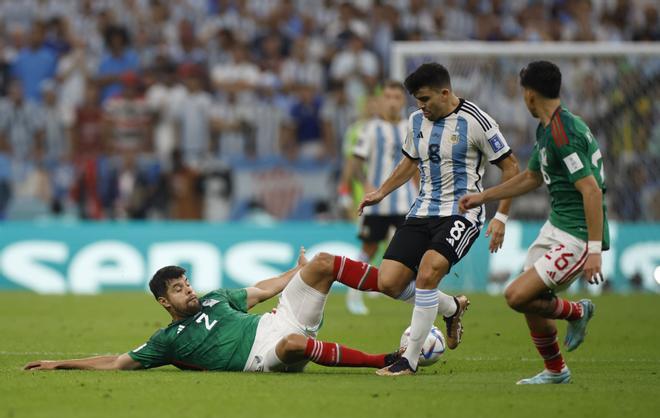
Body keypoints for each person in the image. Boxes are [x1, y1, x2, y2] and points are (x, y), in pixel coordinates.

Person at [358, 63, 520, 375]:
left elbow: (511, 167)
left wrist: (501, 216)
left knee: (428, 274)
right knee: (388, 282)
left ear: (445, 93)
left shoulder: (478, 122)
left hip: (462, 213)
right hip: (422, 211)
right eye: (416, 100)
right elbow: (410, 161)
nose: (420, 106)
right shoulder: (417, 119)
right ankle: (452, 307)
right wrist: (381, 192)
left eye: (425, 99)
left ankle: (409, 360)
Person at [459, 60, 607, 385]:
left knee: (516, 295)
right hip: (556, 226)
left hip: (577, 236)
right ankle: (556, 371)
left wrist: (594, 250)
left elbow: (592, 191)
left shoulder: (562, 132)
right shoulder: (549, 127)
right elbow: (531, 178)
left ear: (529, 94)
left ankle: (578, 312)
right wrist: (485, 198)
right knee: (530, 300)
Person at [24, 249, 402, 373]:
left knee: (322, 263)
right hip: (263, 354)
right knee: (292, 345)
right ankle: (384, 360)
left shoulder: (217, 297)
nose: (187, 290)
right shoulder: (168, 340)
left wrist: (299, 269)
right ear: (164, 303)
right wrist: (61, 364)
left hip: (280, 319)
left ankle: (396, 286)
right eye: (178, 289)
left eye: (186, 283)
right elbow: (116, 362)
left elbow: (267, 290)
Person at [342, 81, 416, 315]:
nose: (392, 101)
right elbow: (355, 163)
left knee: (413, 250)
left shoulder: (412, 127)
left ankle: (415, 298)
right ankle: (353, 296)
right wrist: (365, 185)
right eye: (388, 97)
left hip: (406, 201)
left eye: (397, 97)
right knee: (369, 248)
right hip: (377, 203)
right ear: (382, 100)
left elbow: (419, 165)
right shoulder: (371, 128)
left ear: (403, 101)